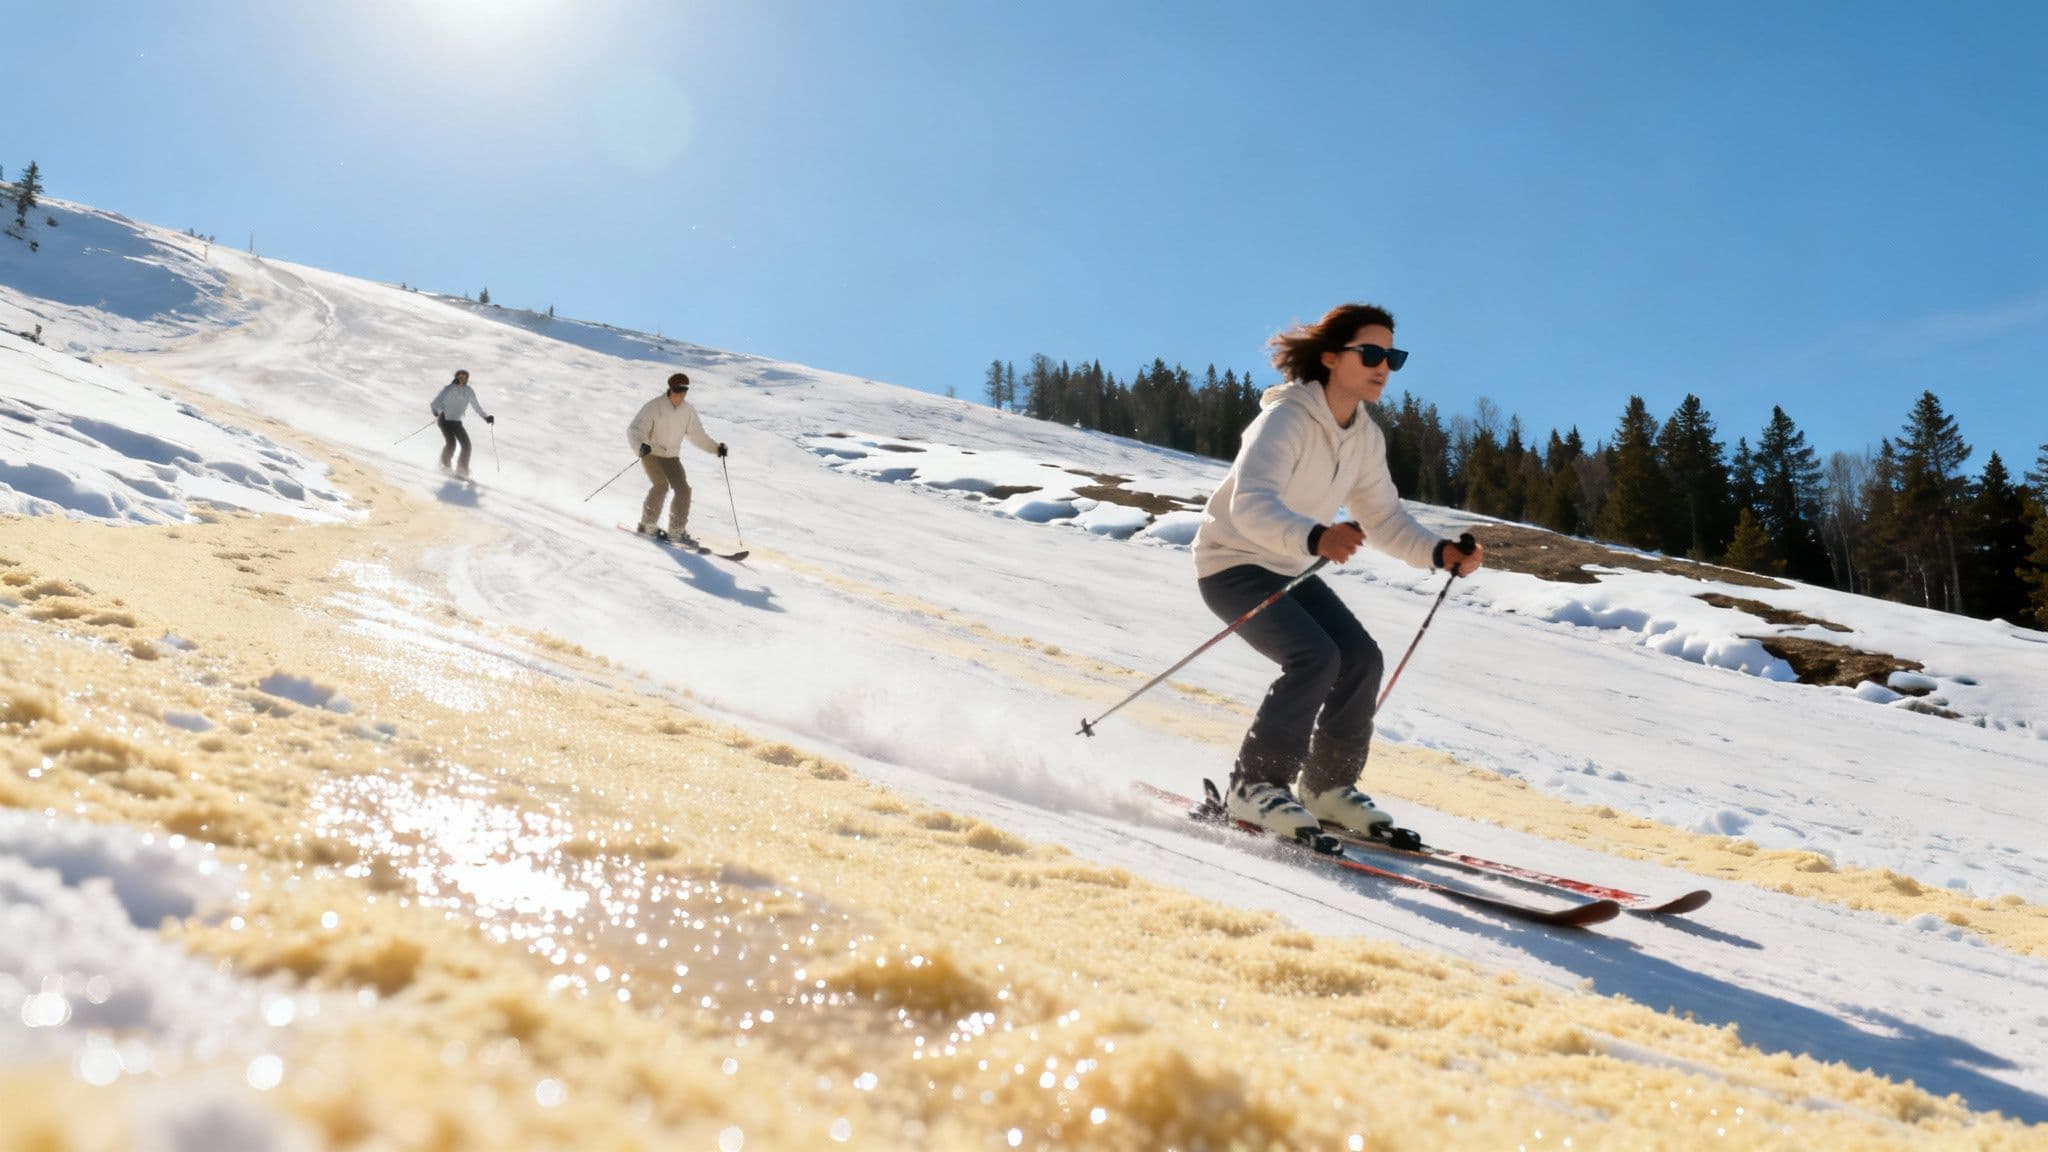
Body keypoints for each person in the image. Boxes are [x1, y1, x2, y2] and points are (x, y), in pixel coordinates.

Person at [1192, 302, 1484, 842]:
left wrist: (1440, 552)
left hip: (1290, 568)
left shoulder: (1364, 436)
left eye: (1393, 356)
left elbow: (1385, 517)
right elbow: (1249, 505)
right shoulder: (1285, 419)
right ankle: (1255, 787)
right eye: (1371, 353)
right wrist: (1315, 536)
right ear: (1329, 357)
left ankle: (1326, 789)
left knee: (1361, 659)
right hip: (1233, 564)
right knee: (1315, 657)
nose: (1384, 366)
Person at [626, 372, 727, 545]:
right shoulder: (654, 406)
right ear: (670, 389)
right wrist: (641, 446)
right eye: (677, 389)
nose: (680, 394)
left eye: (683, 390)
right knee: (661, 485)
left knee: (683, 490)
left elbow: (698, 436)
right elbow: (635, 430)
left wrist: (716, 448)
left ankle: (676, 531)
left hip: (671, 456)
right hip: (652, 453)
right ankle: (647, 524)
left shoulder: (687, 411)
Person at [429, 369, 494, 479]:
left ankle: (462, 467)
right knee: (451, 443)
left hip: (456, 422)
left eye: (464, 377)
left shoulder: (468, 391)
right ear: (456, 377)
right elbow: (435, 402)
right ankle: (445, 465)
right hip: (444, 420)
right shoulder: (449, 389)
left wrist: (486, 417)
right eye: (460, 377)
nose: (462, 379)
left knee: (467, 445)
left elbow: (476, 406)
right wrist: (435, 410)